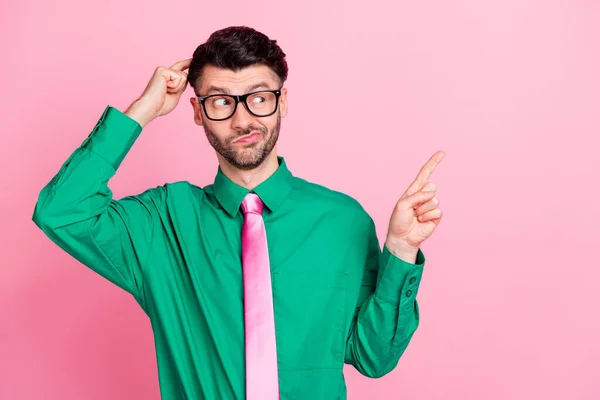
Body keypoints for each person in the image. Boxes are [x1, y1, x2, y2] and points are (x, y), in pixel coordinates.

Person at [32, 26, 444, 400]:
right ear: (197, 112)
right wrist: (141, 111)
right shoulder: (162, 222)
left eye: (259, 98)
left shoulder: (342, 221)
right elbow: (61, 211)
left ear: (282, 103)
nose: (243, 119)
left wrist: (402, 249)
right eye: (221, 102)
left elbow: (374, 358)